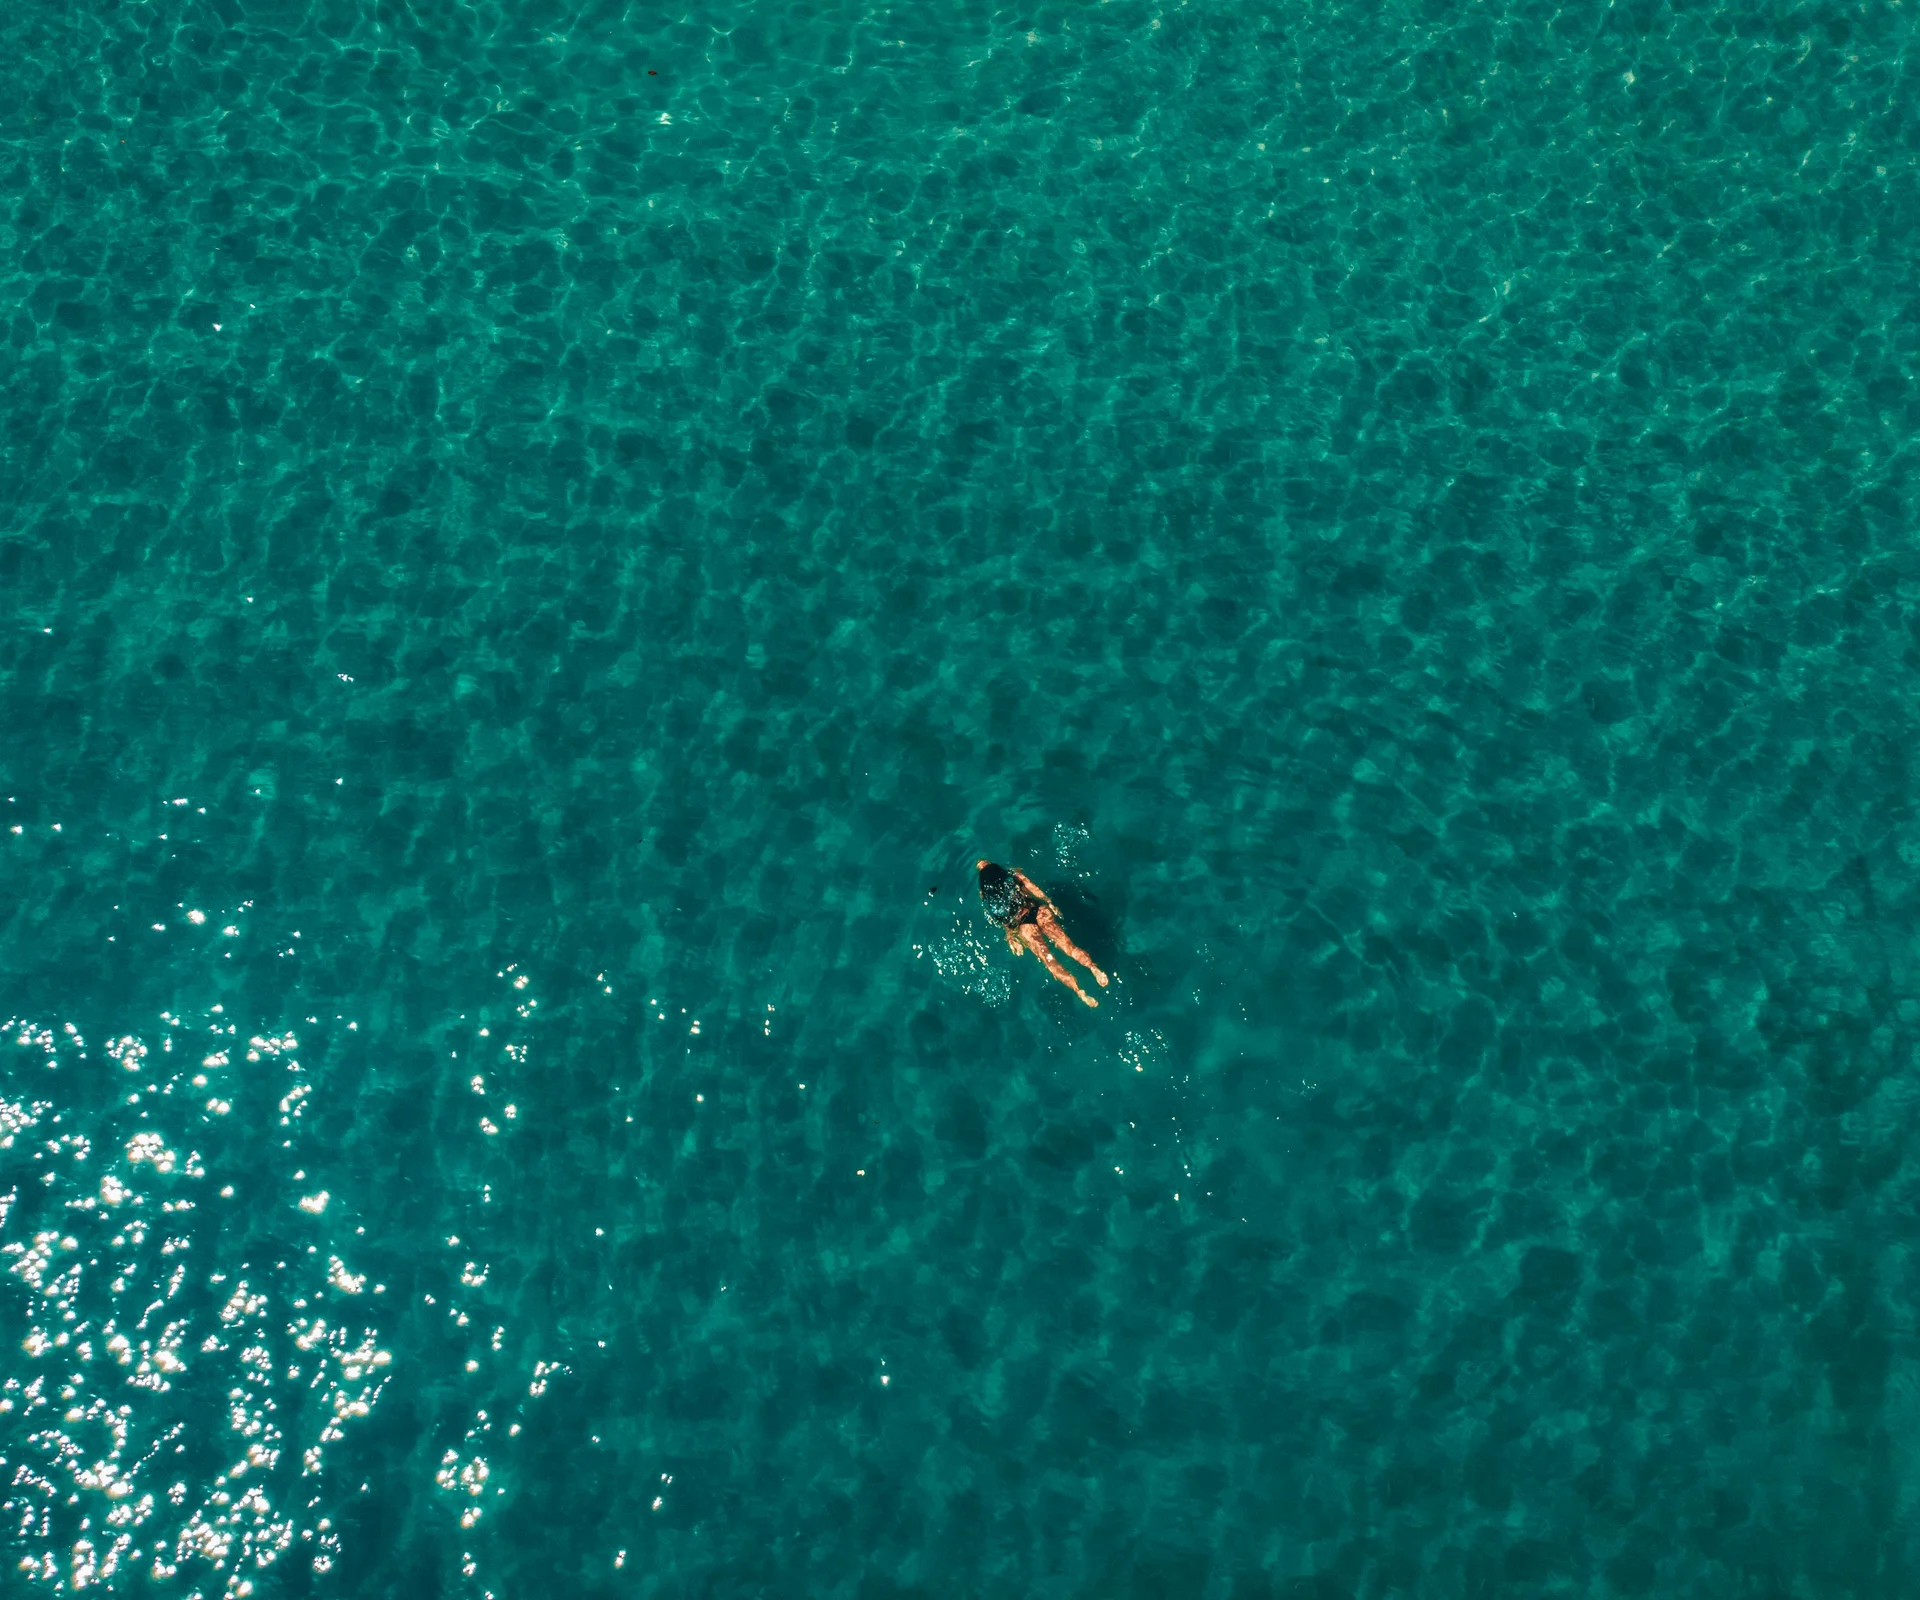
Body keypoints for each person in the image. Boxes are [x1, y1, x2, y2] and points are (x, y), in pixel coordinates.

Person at [976, 860, 1110, 1008]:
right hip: (1038, 911)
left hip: (1023, 926)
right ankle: (1093, 967)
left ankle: (1079, 992)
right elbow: (1032, 887)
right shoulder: (1013, 874)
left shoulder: (986, 896)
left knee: (1049, 961)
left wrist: (1010, 937)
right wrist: (1049, 902)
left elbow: (1003, 920)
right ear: (1000, 871)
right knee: (1069, 947)